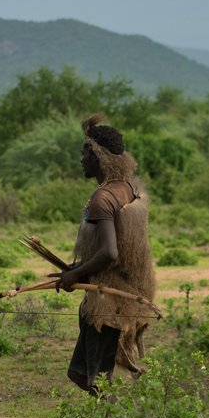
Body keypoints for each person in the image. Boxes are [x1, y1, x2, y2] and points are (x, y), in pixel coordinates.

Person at [55, 114, 157, 395]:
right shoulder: (126, 188)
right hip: (109, 294)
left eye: (84, 152)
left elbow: (110, 253)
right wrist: (77, 269)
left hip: (107, 302)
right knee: (80, 373)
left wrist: (75, 274)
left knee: (96, 381)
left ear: (98, 156)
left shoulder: (103, 198)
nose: (81, 159)